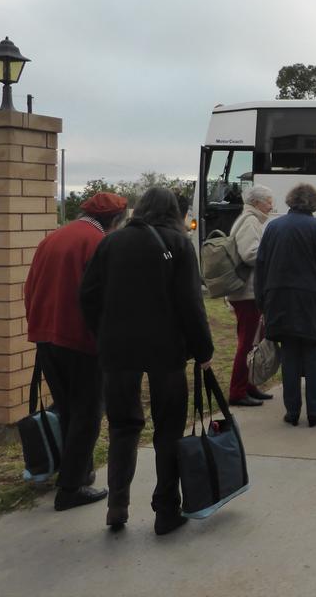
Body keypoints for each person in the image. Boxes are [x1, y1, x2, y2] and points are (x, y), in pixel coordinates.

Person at [79, 187, 214, 535]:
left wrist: (104, 333)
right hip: (166, 351)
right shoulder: (178, 244)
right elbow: (190, 304)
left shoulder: (111, 243)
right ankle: (166, 509)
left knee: (122, 426)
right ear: (174, 211)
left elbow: (88, 296)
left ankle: (117, 504)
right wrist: (203, 350)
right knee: (168, 429)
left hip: (117, 350)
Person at [24, 191, 127, 512]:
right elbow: (106, 297)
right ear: (115, 220)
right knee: (88, 414)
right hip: (81, 340)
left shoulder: (52, 238)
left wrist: (39, 326)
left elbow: (29, 287)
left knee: (68, 408)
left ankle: (75, 472)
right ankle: (70, 488)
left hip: (46, 336)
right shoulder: (99, 242)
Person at [254, 183, 316, 428]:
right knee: (315, 353)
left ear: (291, 201)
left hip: (278, 299)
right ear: (314, 204)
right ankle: (315, 411)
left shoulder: (273, 227)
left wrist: (262, 302)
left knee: (290, 354)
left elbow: (260, 266)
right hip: (312, 301)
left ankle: (292, 411)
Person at [224, 185, 275, 407]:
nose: (271, 206)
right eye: (269, 201)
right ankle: (237, 391)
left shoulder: (251, 219)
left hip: (249, 292)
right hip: (247, 293)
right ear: (257, 203)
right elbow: (250, 253)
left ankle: (249, 385)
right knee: (247, 343)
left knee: (253, 341)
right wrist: (273, 252)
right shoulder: (250, 221)